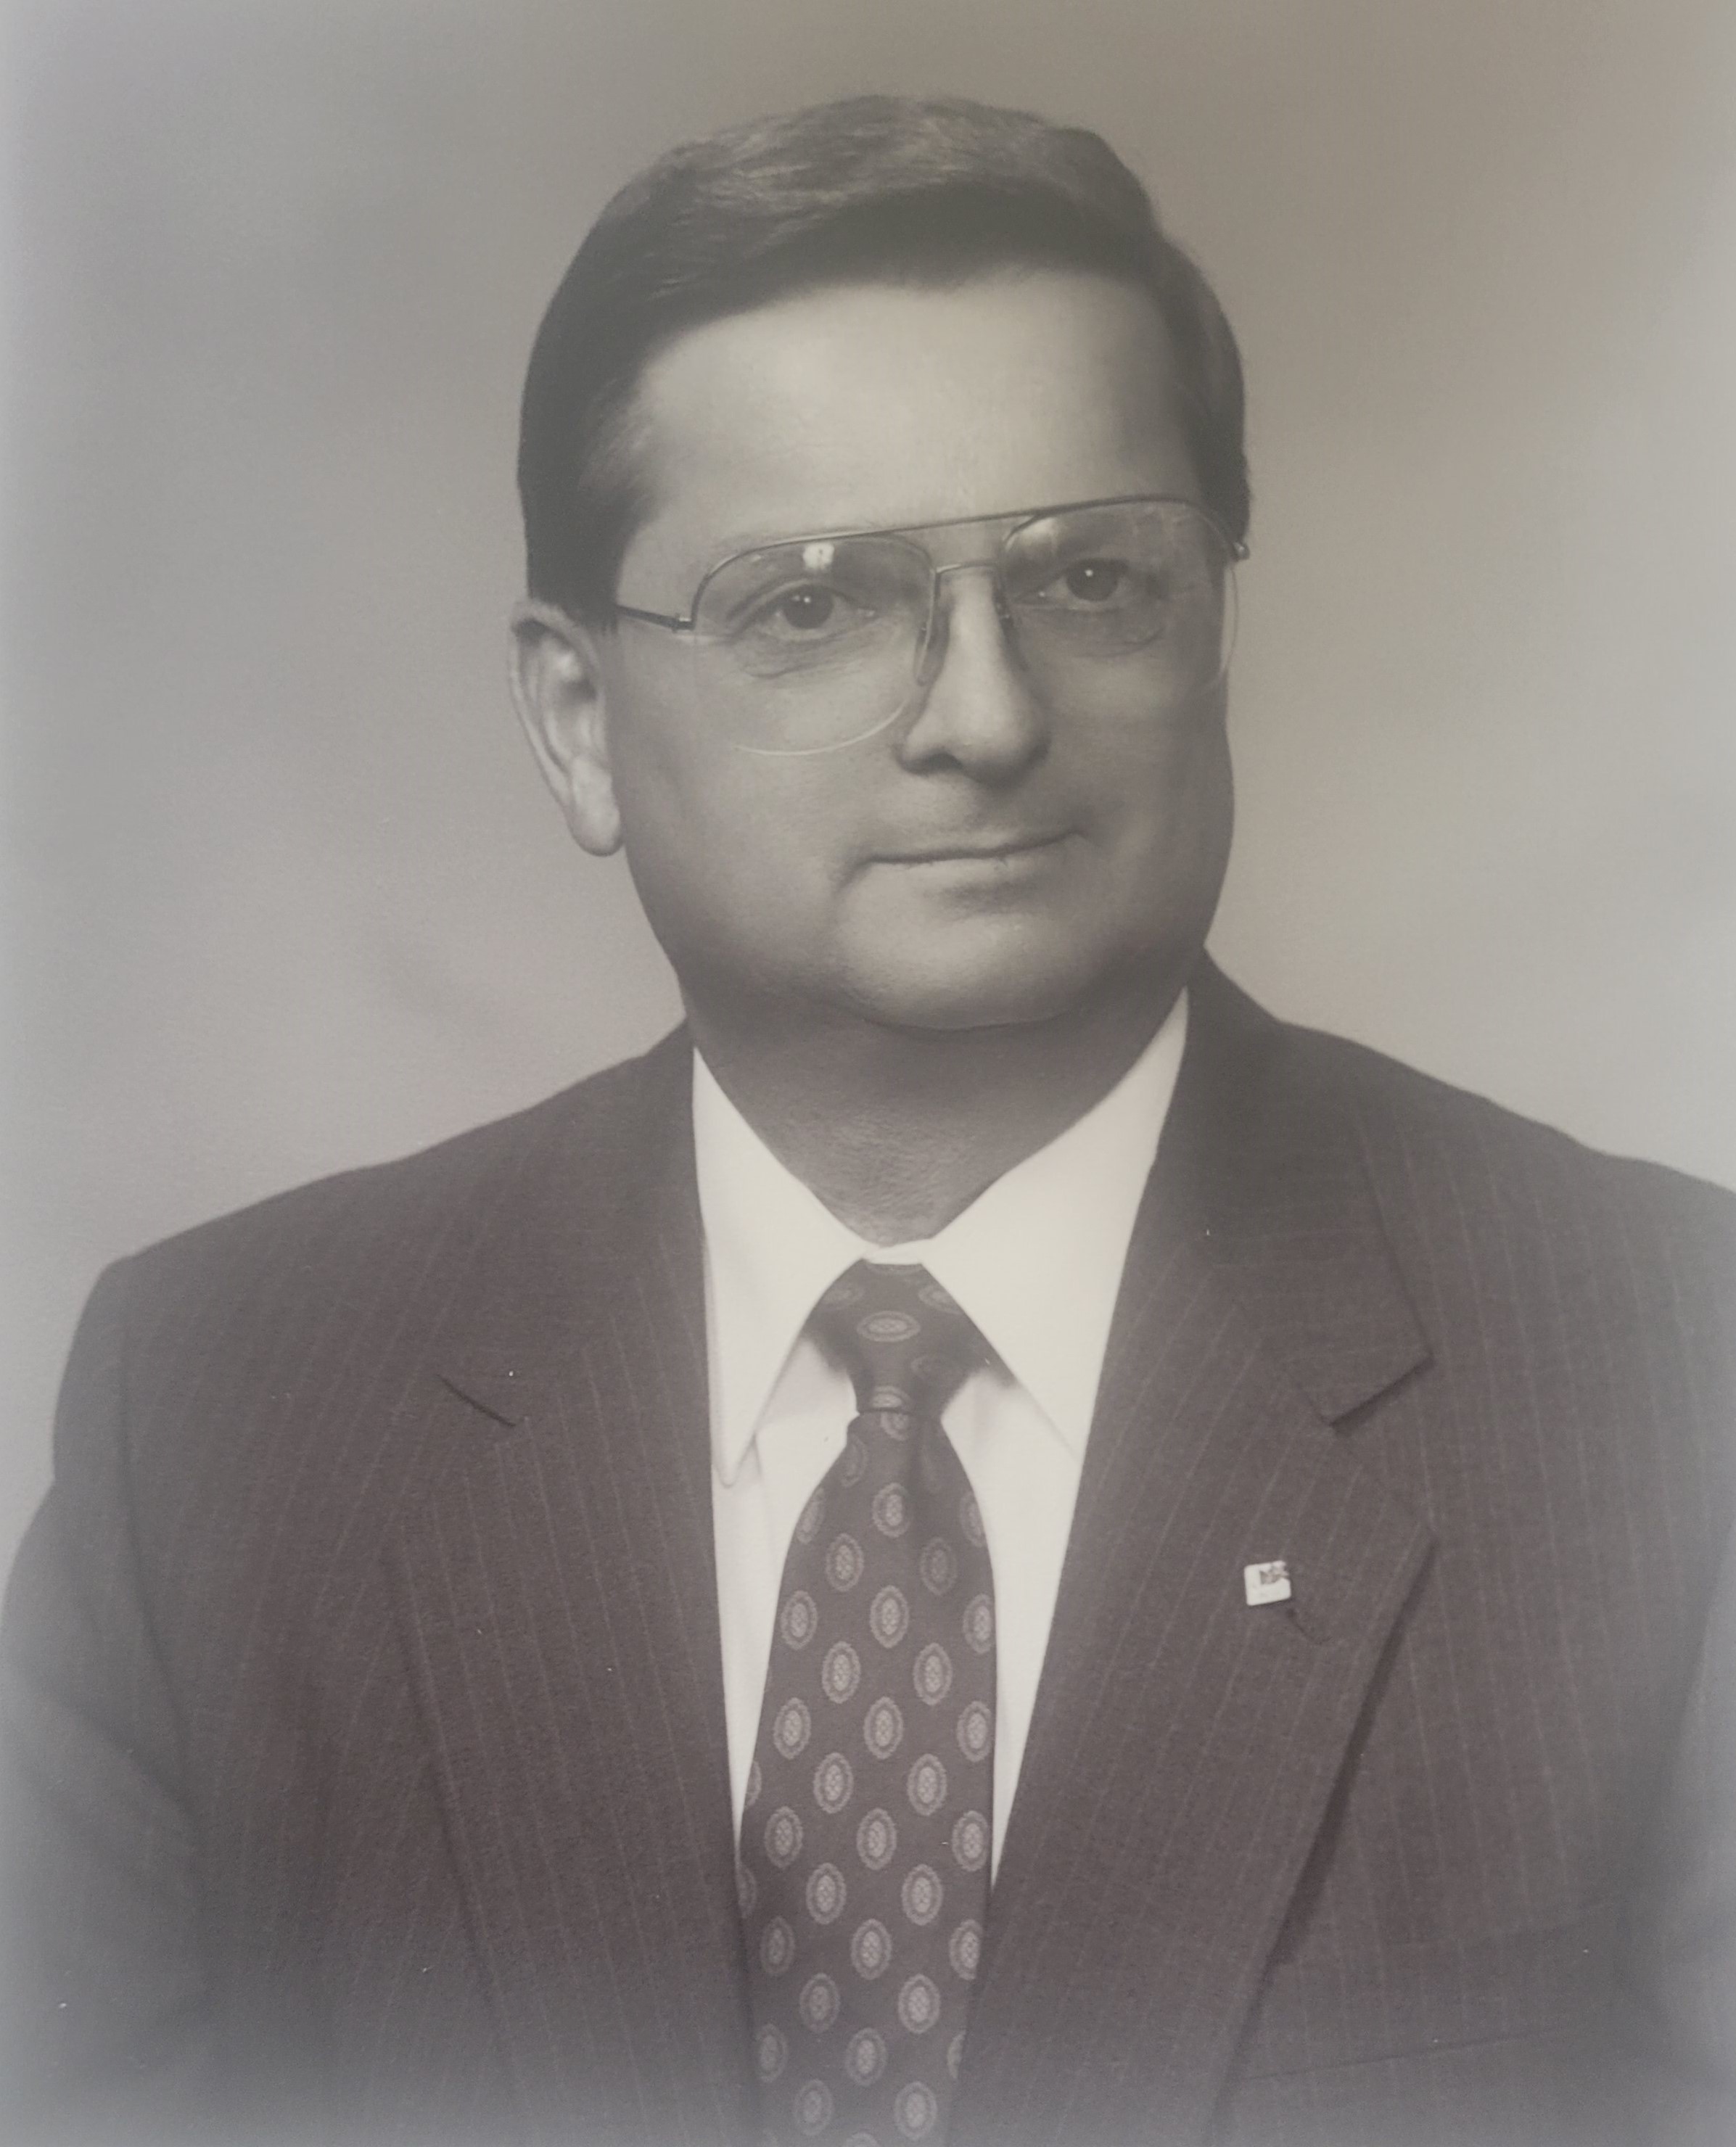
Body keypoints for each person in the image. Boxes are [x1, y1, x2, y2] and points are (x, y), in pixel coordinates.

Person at [3, 93, 1731, 2147]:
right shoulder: (218, 1422)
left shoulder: (1666, 1380)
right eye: (812, 604)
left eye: (1091, 577)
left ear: (1213, 624)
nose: (985, 718)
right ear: (577, 723)